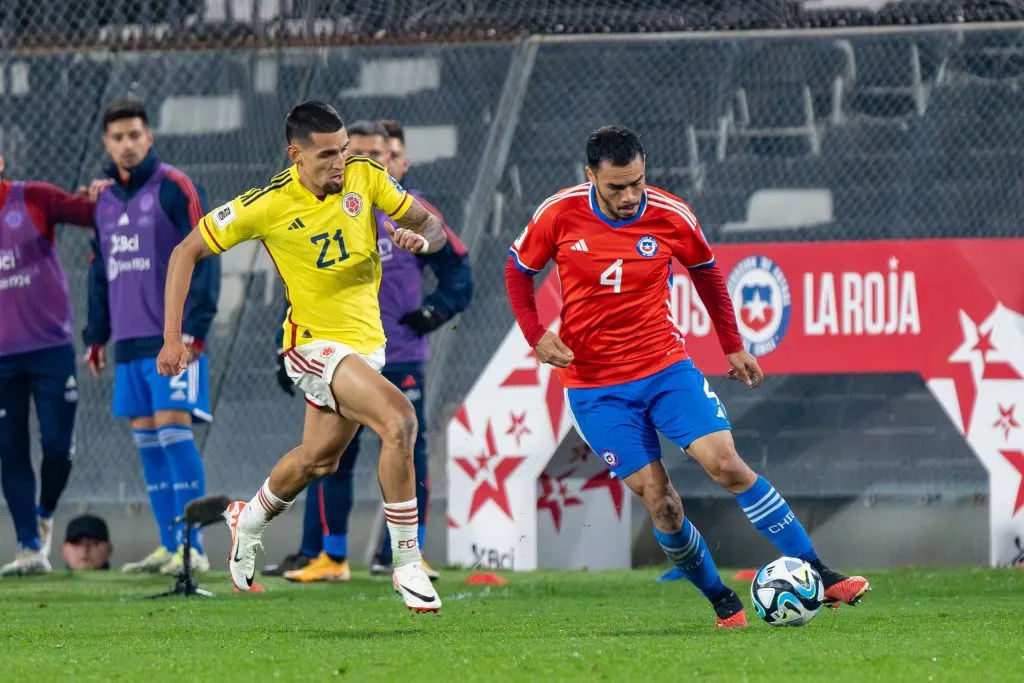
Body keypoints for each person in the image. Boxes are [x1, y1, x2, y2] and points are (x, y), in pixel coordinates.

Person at [504, 125, 870, 628]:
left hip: (663, 368)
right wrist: (534, 333)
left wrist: (732, 344)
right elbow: (518, 272)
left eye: (637, 181)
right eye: (616, 187)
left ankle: (820, 572)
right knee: (663, 504)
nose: (630, 196)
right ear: (590, 176)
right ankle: (721, 600)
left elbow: (707, 272)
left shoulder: (670, 214)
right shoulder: (558, 213)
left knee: (726, 465)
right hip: (595, 388)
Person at [156, 101, 448, 612]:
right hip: (311, 345)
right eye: (328, 155)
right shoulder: (265, 204)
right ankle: (406, 564)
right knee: (399, 419)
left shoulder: (365, 176)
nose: (341, 163)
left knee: (319, 459)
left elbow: (435, 228)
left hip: (365, 347)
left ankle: (246, 520)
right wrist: (172, 336)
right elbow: (185, 252)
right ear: (297, 155)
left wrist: (419, 238)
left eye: (345, 151)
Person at [262, 119, 473, 583]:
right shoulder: (320, 207)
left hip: (399, 352)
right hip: (337, 353)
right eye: (353, 154)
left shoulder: (406, 208)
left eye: (375, 155)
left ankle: (400, 553)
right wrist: (285, 351)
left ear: (393, 159)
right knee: (330, 456)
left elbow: (458, 267)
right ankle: (329, 556)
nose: (358, 163)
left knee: (407, 445)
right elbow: (300, 282)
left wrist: (433, 312)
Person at [83, 99, 220, 575]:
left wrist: (193, 332)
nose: (126, 144)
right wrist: (96, 337)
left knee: (175, 434)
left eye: (134, 135)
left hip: (172, 340)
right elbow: (99, 272)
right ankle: (168, 545)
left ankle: (194, 548)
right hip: (128, 342)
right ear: (106, 143)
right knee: (148, 444)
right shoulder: (102, 199)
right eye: (117, 137)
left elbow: (207, 253)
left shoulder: (175, 187)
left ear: (149, 137)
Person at [0, 156, 100, 576]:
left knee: (58, 446)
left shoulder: (34, 197)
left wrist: (101, 196)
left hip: (50, 348)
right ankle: (28, 548)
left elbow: (93, 214)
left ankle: (44, 511)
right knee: (10, 448)